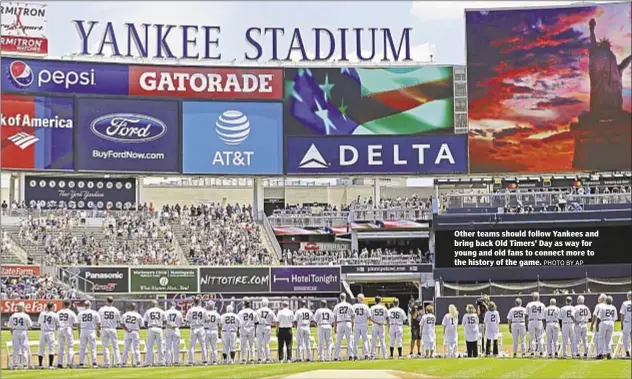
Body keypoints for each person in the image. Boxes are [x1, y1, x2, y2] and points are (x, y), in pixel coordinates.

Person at [98, 296, 122, 367]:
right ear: (112, 301)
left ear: (106, 301)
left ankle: (107, 363)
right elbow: (118, 321)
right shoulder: (116, 310)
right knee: (115, 347)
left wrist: (98, 329)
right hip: (112, 328)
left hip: (104, 328)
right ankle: (118, 362)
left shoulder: (101, 309)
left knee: (105, 346)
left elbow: (98, 321)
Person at [78, 300, 101, 368]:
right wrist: (98, 331)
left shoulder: (80, 313)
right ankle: (94, 363)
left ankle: (81, 363)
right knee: (93, 348)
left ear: (84, 305)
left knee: (82, 348)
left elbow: (78, 324)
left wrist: (79, 333)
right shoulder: (94, 313)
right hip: (91, 330)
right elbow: (98, 323)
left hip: (83, 330)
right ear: (90, 305)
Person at [9, 303, 32, 369]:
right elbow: (30, 326)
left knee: (15, 349)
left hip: (15, 331)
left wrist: (12, 333)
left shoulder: (13, 315)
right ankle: (25, 365)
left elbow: (10, 326)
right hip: (23, 331)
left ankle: (15, 365)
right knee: (24, 349)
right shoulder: (26, 315)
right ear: (23, 308)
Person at [144, 299, 166, 366]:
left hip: (151, 328)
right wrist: (162, 327)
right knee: (160, 346)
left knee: (149, 347)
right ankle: (162, 362)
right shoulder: (161, 311)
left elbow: (145, 322)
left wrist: (148, 328)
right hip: (159, 328)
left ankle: (148, 363)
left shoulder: (148, 311)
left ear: (151, 304)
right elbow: (165, 322)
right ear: (157, 304)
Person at [185, 297, 207, 365]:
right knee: (203, 345)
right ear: (199, 302)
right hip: (201, 327)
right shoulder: (203, 310)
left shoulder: (191, 310)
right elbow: (207, 319)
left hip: (193, 328)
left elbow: (187, 320)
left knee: (192, 346)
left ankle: (191, 361)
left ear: (194, 302)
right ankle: (204, 361)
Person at [57, 299, 78, 368]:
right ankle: (69, 363)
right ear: (69, 305)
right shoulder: (71, 312)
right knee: (70, 347)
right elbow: (75, 323)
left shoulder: (59, 312)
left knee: (60, 347)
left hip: (60, 328)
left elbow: (56, 321)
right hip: (67, 328)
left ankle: (59, 363)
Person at [37, 301, 58, 368]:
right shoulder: (54, 314)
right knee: (51, 348)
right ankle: (50, 365)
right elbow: (57, 324)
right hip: (50, 332)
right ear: (52, 307)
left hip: (43, 332)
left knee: (41, 348)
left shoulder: (42, 313)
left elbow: (39, 323)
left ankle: (40, 365)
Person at [238, 299, 259, 363]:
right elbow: (257, 322)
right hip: (251, 328)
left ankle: (243, 359)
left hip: (243, 328)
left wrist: (238, 330)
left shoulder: (241, 312)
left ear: (244, 304)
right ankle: (252, 359)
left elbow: (238, 322)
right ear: (249, 304)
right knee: (251, 344)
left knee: (243, 344)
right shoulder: (253, 312)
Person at [333, 293, 354, 361]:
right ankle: (350, 356)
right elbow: (353, 316)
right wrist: (352, 326)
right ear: (345, 297)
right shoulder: (349, 305)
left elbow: (335, 317)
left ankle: (336, 356)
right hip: (348, 322)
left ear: (340, 298)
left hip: (340, 323)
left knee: (338, 341)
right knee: (349, 340)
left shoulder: (337, 306)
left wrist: (335, 327)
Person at [256, 298, 276, 363]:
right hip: (267, 326)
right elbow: (275, 321)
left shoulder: (258, 311)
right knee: (267, 343)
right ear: (267, 303)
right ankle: (267, 358)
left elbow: (255, 320)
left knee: (259, 343)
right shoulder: (270, 311)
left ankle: (259, 358)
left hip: (259, 326)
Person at [526, 292, 545, 357]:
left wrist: (526, 324)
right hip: (539, 321)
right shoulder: (542, 305)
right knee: (540, 337)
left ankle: (532, 353)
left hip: (531, 321)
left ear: (533, 297)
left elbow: (526, 315)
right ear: (538, 297)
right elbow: (544, 315)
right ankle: (541, 352)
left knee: (532, 338)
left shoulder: (529, 304)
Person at [352, 294, 370, 360]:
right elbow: (369, 316)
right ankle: (366, 355)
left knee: (355, 341)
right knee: (365, 340)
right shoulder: (366, 306)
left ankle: (355, 355)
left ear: (358, 299)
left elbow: (352, 316)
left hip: (356, 324)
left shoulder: (354, 306)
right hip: (363, 324)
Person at [165, 301, 183, 366]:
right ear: (175, 305)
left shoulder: (166, 312)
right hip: (176, 329)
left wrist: (170, 326)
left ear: (169, 305)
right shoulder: (178, 312)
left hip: (168, 329)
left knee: (168, 347)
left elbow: (164, 322)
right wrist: (177, 326)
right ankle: (176, 362)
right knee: (176, 347)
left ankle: (168, 362)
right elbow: (181, 322)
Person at [591, 293, 607, 358]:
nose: (598, 298)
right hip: (608, 323)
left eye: (599, 297)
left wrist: (592, 324)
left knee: (597, 339)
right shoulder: (608, 305)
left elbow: (595, 316)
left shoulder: (598, 305)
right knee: (606, 339)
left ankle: (599, 354)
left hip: (600, 323)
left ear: (601, 299)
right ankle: (605, 352)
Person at [620, 290, 632, 358]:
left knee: (626, 338)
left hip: (627, 323)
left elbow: (622, 314)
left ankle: (627, 353)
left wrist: (621, 324)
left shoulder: (625, 303)